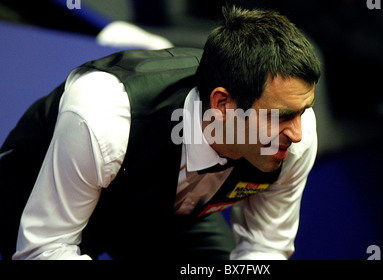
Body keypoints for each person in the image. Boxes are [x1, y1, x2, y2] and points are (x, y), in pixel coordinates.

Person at [0, 6, 320, 260]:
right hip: (44, 191)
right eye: (281, 117)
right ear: (223, 104)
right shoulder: (105, 115)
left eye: (304, 111)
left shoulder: (296, 133)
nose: (296, 132)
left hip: (172, 212)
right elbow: (43, 249)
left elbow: (265, 250)